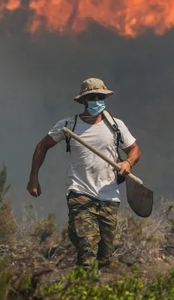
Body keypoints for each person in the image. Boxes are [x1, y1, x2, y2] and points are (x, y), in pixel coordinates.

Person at [26, 78, 141, 270]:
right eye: (92, 97)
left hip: (109, 196)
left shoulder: (116, 126)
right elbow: (42, 145)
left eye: (100, 96)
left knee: (105, 254)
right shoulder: (69, 125)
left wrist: (127, 163)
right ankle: (81, 287)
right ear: (84, 101)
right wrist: (33, 178)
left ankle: (98, 288)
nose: (97, 100)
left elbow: (135, 150)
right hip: (80, 194)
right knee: (87, 247)